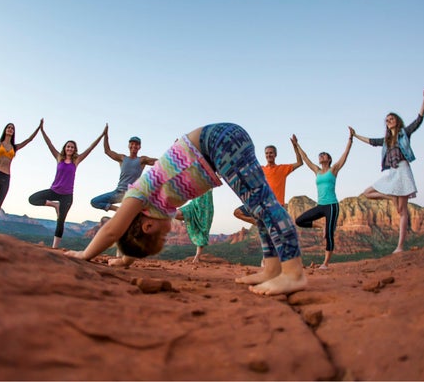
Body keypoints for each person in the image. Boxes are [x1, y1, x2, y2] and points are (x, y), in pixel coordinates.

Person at [66, 123, 307, 296]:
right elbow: (133, 234)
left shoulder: (140, 193)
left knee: (263, 204)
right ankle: (273, 268)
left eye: (162, 235)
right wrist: (126, 260)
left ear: (147, 224)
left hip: (217, 142)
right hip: (218, 145)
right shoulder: (157, 209)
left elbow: (113, 230)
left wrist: (84, 255)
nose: (168, 231)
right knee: (257, 208)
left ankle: (293, 272)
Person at [350, 95, 424, 254]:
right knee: (367, 192)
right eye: (387, 119)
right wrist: (355, 135)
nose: (389, 120)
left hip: (403, 169)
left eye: (391, 118)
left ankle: (399, 246)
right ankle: (391, 196)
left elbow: (418, 120)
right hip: (392, 172)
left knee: (402, 211)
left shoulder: (404, 133)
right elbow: (371, 142)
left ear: (397, 121)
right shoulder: (386, 140)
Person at [29, 122, 106, 248]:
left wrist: (102, 135)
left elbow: (90, 148)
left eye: (72, 147)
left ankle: (55, 247)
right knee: (32, 199)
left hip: (67, 195)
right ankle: (54, 205)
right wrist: (42, 130)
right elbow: (49, 144)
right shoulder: (59, 157)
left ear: (74, 149)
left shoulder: (76, 160)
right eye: (68, 147)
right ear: (65, 148)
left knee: (60, 221)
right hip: (54, 191)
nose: (69, 149)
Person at [293, 130, 353, 269]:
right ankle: (321, 226)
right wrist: (297, 145)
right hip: (320, 206)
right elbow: (306, 158)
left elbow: (346, 154)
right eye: (319, 155)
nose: (321, 156)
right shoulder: (317, 171)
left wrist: (350, 138)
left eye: (323, 155)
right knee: (299, 220)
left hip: (332, 205)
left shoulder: (334, 170)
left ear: (329, 159)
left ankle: (325, 263)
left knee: (330, 235)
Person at [233, 136, 303, 225]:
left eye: (271, 153)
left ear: (275, 154)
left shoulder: (283, 169)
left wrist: (295, 146)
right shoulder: (260, 169)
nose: (269, 155)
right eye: (267, 153)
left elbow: (300, 162)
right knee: (237, 212)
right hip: (261, 205)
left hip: (276, 206)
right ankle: (257, 223)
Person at [90, 130, 157, 212]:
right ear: (129, 145)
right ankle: (118, 210)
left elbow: (159, 162)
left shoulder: (142, 160)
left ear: (139, 147)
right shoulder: (122, 158)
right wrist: (105, 135)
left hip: (132, 193)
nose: (134, 146)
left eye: (136, 144)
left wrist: (174, 149)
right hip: (118, 193)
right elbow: (107, 151)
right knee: (94, 202)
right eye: (132, 144)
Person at [175, 190, 214, 263]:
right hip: (193, 205)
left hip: (206, 210)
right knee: (175, 214)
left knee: (202, 231)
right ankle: (189, 218)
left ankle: (197, 257)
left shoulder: (211, 180)